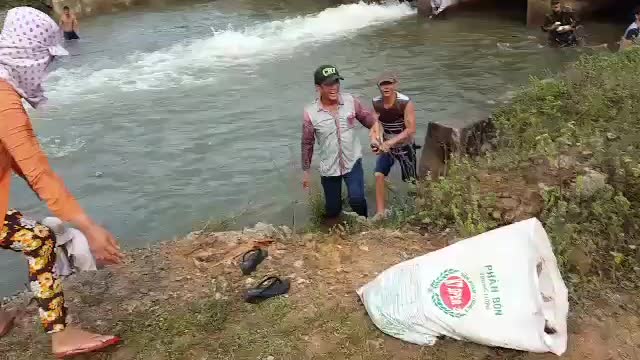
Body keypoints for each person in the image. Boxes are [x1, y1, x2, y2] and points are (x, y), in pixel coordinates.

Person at [0, 7, 123, 357]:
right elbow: (36, 170)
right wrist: (87, 226)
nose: (47, 70)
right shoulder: (4, 101)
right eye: (45, 61)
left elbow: (20, 163)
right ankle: (63, 335)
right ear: (30, 57)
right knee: (39, 241)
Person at [301, 65, 376, 223]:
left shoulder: (350, 101)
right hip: (329, 167)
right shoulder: (310, 113)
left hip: (352, 161)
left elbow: (367, 118)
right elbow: (307, 143)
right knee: (333, 209)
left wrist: (376, 131)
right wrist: (306, 171)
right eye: (329, 84)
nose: (334, 87)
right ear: (318, 88)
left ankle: (365, 226)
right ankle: (335, 233)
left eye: (336, 82)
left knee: (356, 199)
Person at [369, 74, 417, 220]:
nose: (386, 87)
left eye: (389, 84)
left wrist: (390, 142)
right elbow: (375, 124)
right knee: (378, 175)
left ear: (395, 84)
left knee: (411, 183)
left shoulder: (405, 102)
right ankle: (381, 213)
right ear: (379, 87)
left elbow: (411, 129)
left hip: (405, 145)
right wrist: (374, 140)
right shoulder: (376, 102)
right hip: (386, 146)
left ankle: (415, 209)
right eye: (383, 84)